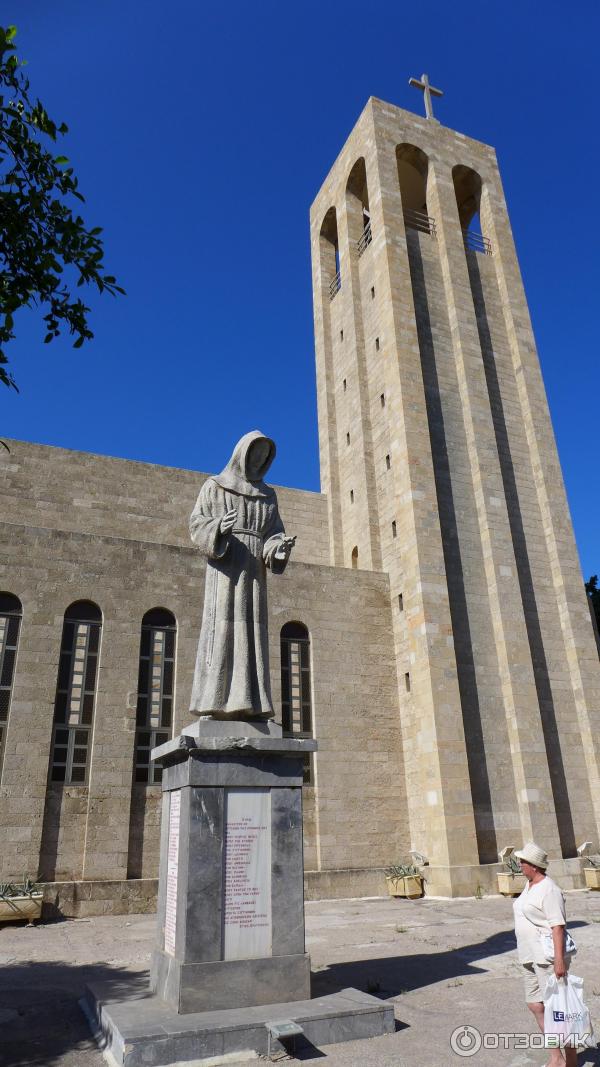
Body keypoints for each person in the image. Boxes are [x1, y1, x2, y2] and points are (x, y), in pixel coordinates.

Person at [189, 430, 295, 719]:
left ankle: (251, 701)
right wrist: (219, 528)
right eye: (255, 455)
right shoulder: (215, 487)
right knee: (221, 630)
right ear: (242, 455)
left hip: (253, 574)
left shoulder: (268, 496)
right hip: (226, 566)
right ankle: (214, 701)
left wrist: (279, 548)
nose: (259, 461)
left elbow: (274, 534)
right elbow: (197, 524)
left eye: (264, 457)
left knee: (251, 634)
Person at [513, 842, 576, 1066]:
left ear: (534, 866)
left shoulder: (549, 889)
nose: (519, 864)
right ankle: (555, 1056)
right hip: (528, 956)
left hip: (547, 958)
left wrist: (559, 960)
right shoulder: (529, 885)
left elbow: (557, 926)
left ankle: (570, 1061)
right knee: (535, 1005)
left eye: (523, 862)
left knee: (558, 1011)